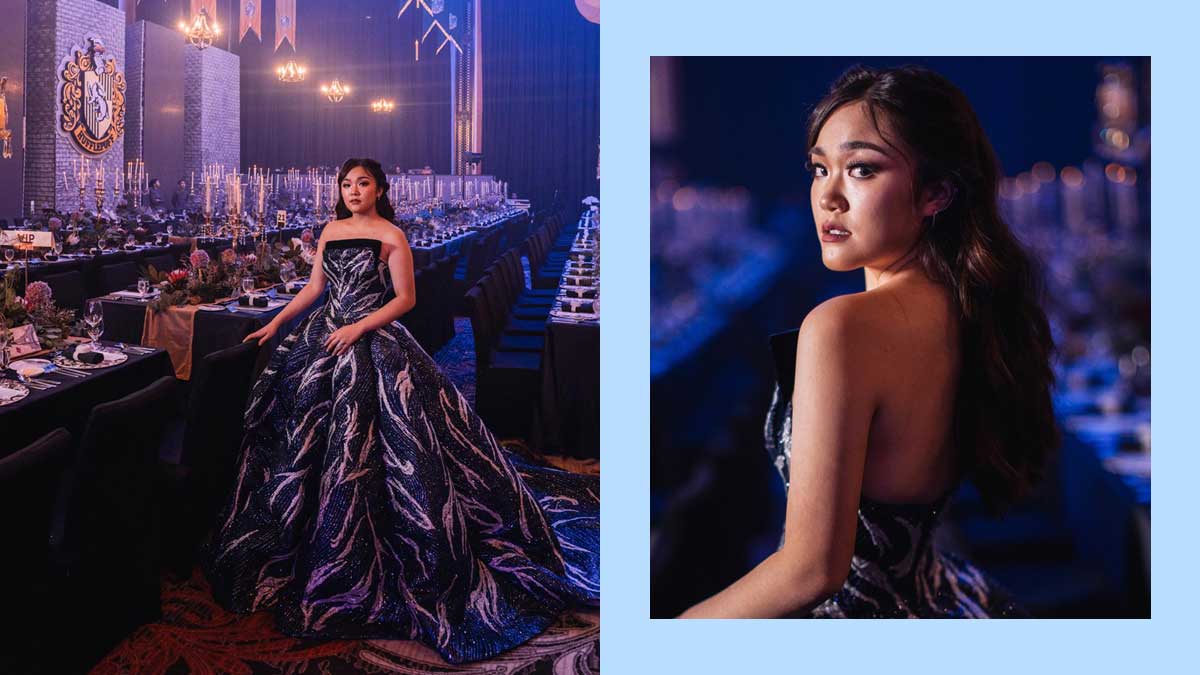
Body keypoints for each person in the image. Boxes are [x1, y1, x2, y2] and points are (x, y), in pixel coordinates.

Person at [678, 65, 1058, 619]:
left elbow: (811, 570)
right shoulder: (970, 306)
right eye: (818, 168)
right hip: (946, 598)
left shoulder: (842, 327)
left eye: (861, 169)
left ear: (936, 192)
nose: (828, 196)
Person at [204, 158, 599, 661]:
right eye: (346, 184)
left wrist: (359, 327)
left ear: (379, 189)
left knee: (387, 438)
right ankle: (303, 544)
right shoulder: (330, 230)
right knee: (301, 434)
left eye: (362, 183)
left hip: (371, 339)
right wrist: (274, 324)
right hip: (323, 336)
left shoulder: (391, 234)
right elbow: (314, 289)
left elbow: (406, 299)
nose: (352, 191)